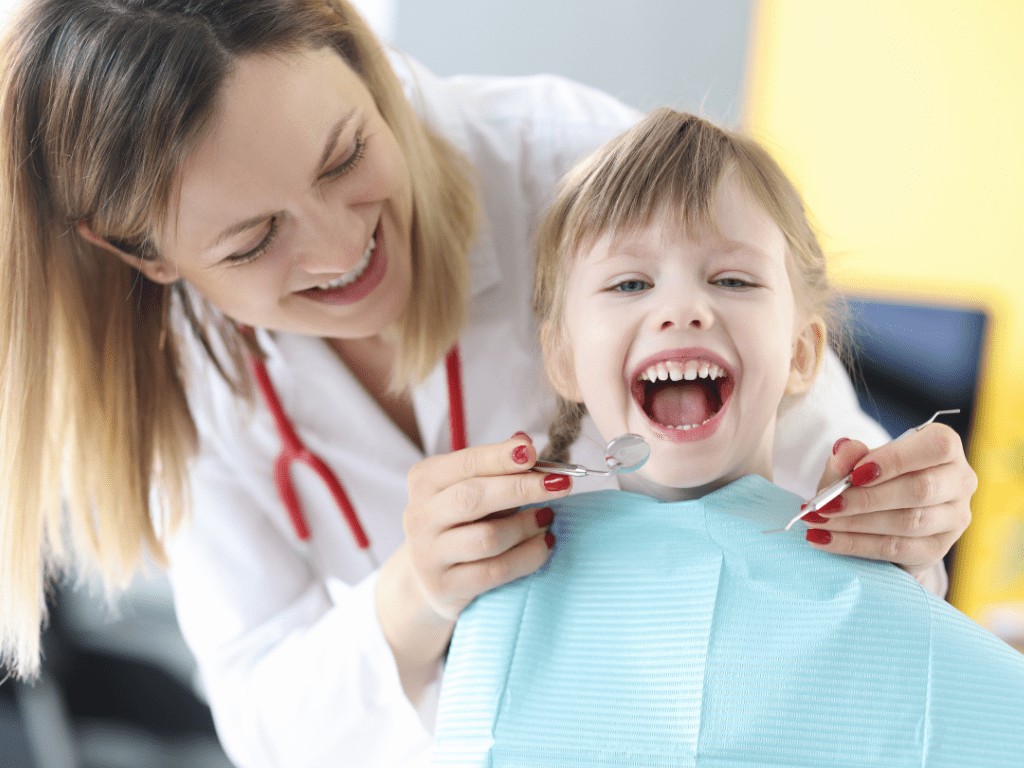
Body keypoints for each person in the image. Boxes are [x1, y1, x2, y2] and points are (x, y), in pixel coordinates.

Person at [0, 1, 976, 766]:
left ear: (358, 59)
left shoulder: (575, 169)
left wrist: (899, 516)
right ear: (144, 254)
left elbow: (820, 481)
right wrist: (414, 595)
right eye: (252, 240)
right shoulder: (187, 381)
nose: (343, 247)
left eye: (347, 156)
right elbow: (271, 728)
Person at [432, 108, 1024, 767]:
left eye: (732, 280)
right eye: (631, 283)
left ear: (802, 353)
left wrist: (900, 586)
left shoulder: (875, 579)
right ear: (563, 358)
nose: (683, 307)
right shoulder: (509, 578)